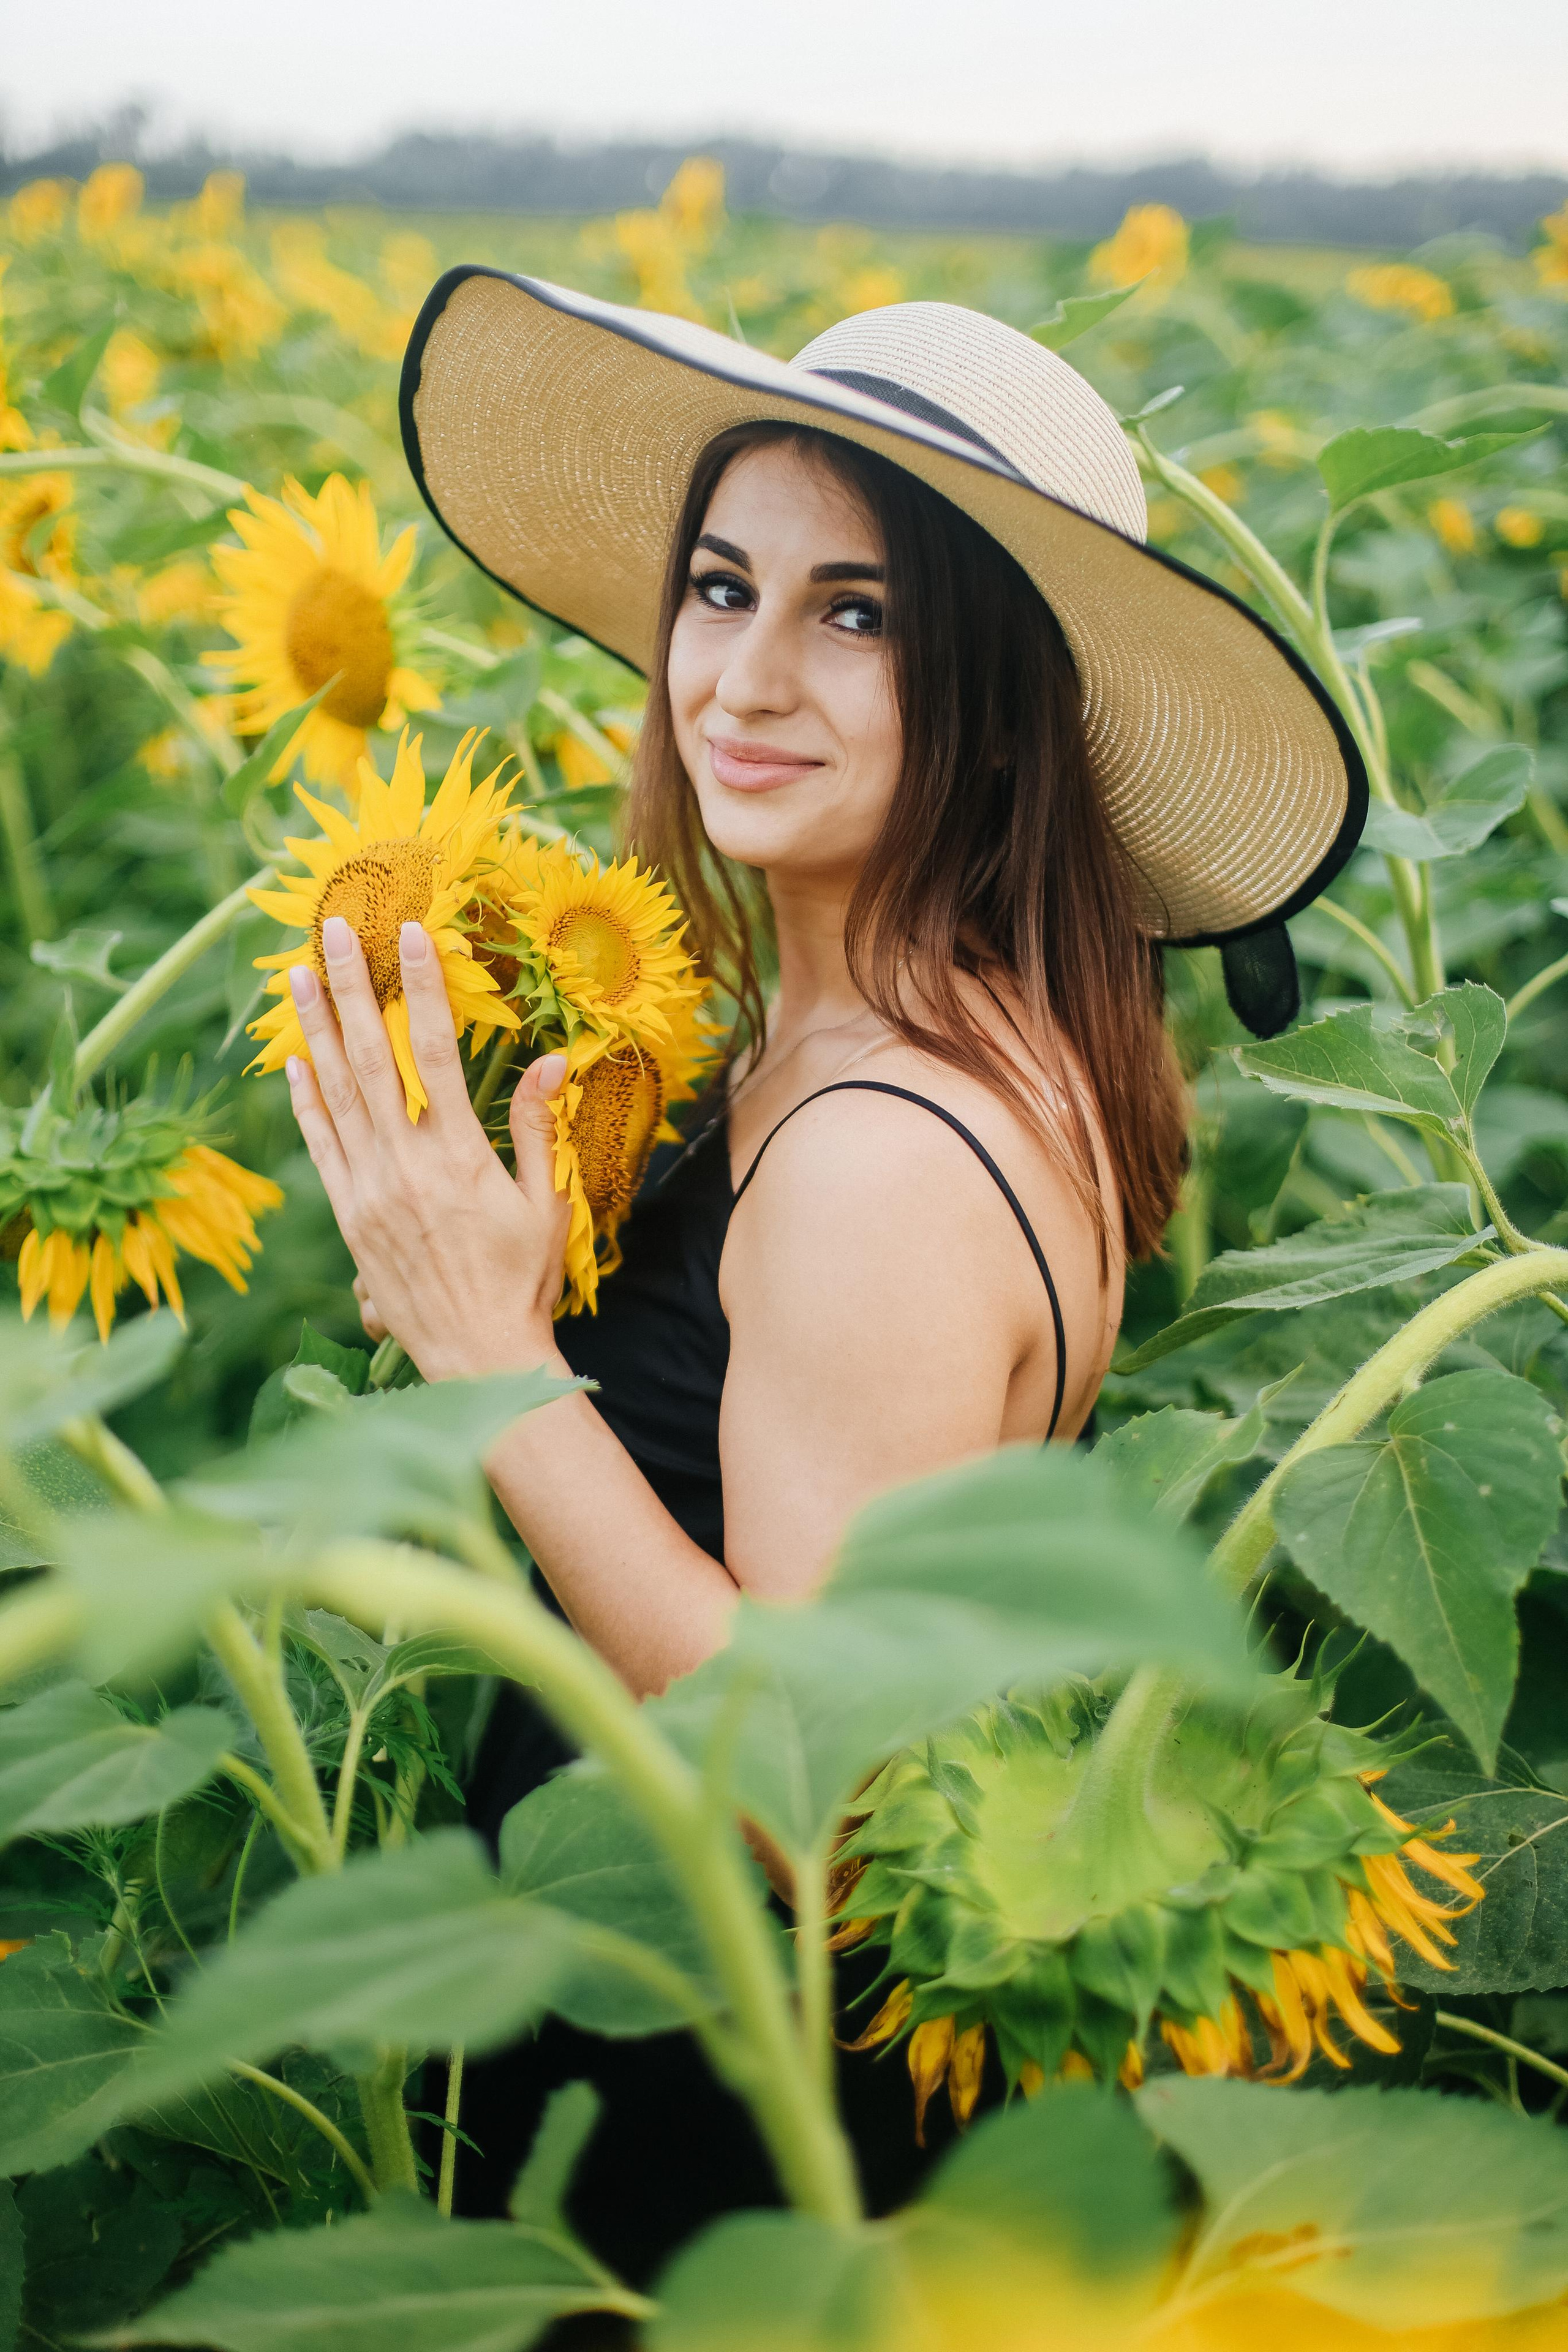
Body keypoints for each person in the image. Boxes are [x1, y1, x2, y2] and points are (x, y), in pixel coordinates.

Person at [279, 286, 1365, 2278]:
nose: (744, 677)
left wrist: (490, 1354)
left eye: (855, 615)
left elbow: (813, 1803)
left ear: (997, 696)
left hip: (723, 2145)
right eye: (721, 586)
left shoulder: (878, 1154)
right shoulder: (918, 1031)